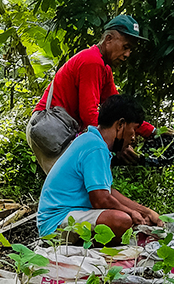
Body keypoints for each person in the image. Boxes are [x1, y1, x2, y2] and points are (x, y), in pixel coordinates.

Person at [27, 14, 157, 173]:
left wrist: (151, 132)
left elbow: (119, 109)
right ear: (108, 39)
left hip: (62, 129)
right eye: (125, 46)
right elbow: (89, 114)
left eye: (130, 49)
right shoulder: (92, 61)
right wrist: (118, 146)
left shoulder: (104, 67)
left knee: (80, 184)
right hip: (52, 127)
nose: (127, 54)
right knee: (72, 186)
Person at [37, 94, 162, 241]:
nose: (133, 137)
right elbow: (100, 200)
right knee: (122, 220)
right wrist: (131, 214)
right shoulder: (96, 147)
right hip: (55, 223)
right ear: (120, 125)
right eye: (133, 130)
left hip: (62, 217)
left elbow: (106, 192)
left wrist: (144, 212)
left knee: (125, 218)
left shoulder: (92, 141)